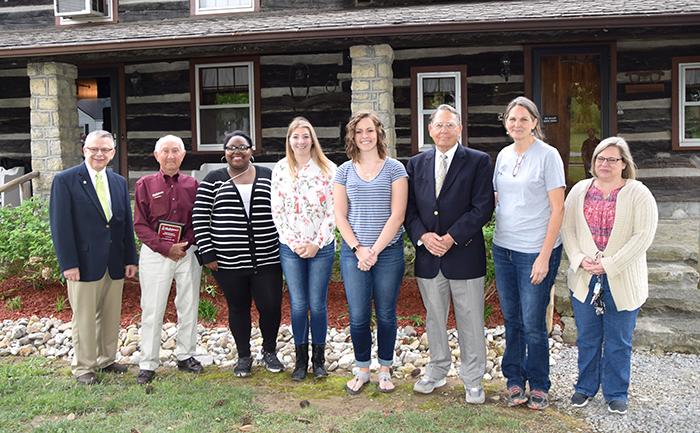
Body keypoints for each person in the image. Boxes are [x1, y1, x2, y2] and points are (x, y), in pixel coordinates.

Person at [561, 137, 657, 415]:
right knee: (588, 337)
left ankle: (616, 392)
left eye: (612, 159)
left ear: (624, 164)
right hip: (585, 277)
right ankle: (585, 387)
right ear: (593, 163)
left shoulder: (638, 193)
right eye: (600, 159)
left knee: (618, 340)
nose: (605, 164)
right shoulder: (579, 190)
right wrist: (580, 259)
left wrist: (611, 264)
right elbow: (568, 230)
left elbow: (643, 236)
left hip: (622, 278)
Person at [405, 104, 494, 404]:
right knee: (434, 319)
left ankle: (472, 379)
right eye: (439, 125)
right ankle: (438, 369)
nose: (444, 130)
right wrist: (423, 236)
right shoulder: (415, 164)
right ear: (430, 129)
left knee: (470, 320)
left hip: (465, 255)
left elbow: (483, 207)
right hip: (429, 256)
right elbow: (410, 209)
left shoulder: (478, 161)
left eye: (450, 125)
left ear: (459, 129)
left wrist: (452, 237)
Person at [492, 96, 566, 410]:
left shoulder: (548, 156)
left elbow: (558, 208)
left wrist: (543, 255)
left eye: (524, 119)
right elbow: (499, 198)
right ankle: (513, 379)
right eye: (512, 119)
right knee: (512, 318)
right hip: (504, 248)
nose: (517, 124)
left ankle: (539, 384)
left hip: (535, 249)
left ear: (534, 122)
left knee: (533, 322)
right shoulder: (503, 155)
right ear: (506, 123)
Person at [49, 130, 138, 385]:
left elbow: (124, 224)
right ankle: (84, 367)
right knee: (85, 317)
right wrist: (69, 264)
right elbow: (61, 226)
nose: (99, 154)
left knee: (110, 315)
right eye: (94, 149)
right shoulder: (65, 180)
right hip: (83, 263)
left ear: (112, 153)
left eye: (105, 150)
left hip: (114, 262)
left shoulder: (118, 182)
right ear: (84, 150)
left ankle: (106, 359)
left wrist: (130, 259)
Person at [192, 130, 284, 378]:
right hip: (229, 261)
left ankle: (269, 351)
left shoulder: (268, 176)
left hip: (268, 258)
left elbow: (283, 211)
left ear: (252, 150)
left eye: (242, 147)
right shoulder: (213, 179)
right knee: (238, 307)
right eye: (231, 148)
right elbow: (200, 217)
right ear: (225, 153)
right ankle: (244, 356)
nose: (237, 152)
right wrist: (207, 252)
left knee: (271, 306)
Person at [334, 111, 408, 394]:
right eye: (359, 131)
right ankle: (362, 368)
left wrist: (374, 250)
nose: (365, 136)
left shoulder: (395, 169)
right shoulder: (344, 171)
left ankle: (386, 369)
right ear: (352, 136)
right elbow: (341, 215)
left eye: (370, 130)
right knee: (358, 315)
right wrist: (358, 249)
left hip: (387, 253)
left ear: (379, 133)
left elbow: (397, 215)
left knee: (387, 313)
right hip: (354, 254)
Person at [133, 135, 203, 385]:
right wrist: (165, 247)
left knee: (188, 304)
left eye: (176, 151)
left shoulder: (192, 185)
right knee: (152, 308)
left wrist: (184, 245)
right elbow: (140, 225)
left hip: (187, 253)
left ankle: (186, 356)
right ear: (156, 155)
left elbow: (199, 219)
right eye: (166, 151)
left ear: (183, 156)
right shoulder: (145, 184)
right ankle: (148, 363)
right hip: (155, 254)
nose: (171, 155)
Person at [271, 117, 336, 381]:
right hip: (290, 248)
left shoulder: (328, 168)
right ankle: (300, 361)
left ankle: (319, 362)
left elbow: (334, 211)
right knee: (298, 305)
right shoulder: (280, 169)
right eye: (295, 136)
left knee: (317, 305)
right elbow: (277, 210)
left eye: (305, 136)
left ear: (312, 139)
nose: (300, 141)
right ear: (289, 140)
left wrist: (315, 243)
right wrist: (294, 242)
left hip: (321, 247)